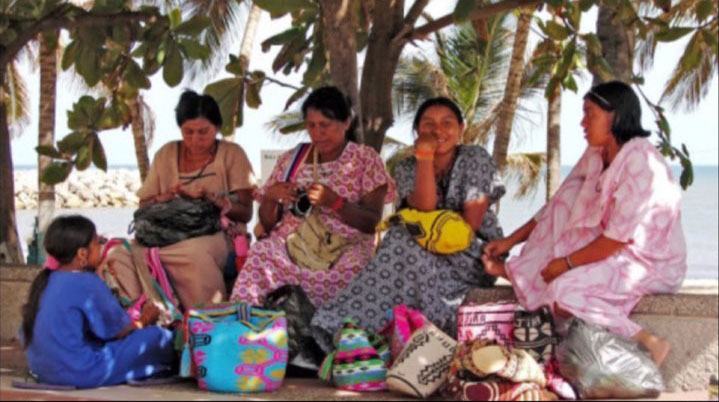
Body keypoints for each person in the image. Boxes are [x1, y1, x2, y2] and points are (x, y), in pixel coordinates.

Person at [481, 81, 686, 367]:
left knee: (563, 292)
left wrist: (564, 264)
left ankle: (648, 341)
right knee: (565, 204)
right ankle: (521, 271)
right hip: (611, 250)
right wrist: (509, 241)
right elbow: (556, 207)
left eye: (590, 114)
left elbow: (617, 238)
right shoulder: (597, 154)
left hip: (648, 262)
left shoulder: (640, 161)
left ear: (615, 115)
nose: (582, 122)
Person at [311, 97, 505, 351]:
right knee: (402, 243)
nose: (437, 131)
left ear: (461, 129)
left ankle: (353, 330)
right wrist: (425, 159)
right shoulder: (406, 167)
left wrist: (425, 157)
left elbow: (468, 226)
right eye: (428, 124)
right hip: (421, 250)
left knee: (404, 247)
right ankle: (354, 335)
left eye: (447, 123)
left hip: (470, 253)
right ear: (416, 131)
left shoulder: (475, 158)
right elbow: (424, 207)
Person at [230, 86, 396, 307]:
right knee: (262, 252)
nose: (318, 133)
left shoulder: (365, 159)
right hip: (292, 247)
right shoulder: (291, 160)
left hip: (344, 249)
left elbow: (371, 222)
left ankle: (340, 332)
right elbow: (269, 224)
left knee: (358, 265)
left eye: (325, 125)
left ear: (346, 122)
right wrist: (271, 196)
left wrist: (335, 202)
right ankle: (250, 330)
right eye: (312, 126)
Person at [107, 90, 256, 309]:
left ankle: (205, 317)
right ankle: (150, 314)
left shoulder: (232, 154)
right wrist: (164, 197)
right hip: (166, 235)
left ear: (217, 128)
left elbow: (246, 212)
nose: (196, 139)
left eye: (203, 132)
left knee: (193, 252)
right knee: (118, 253)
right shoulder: (166, 154)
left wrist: (216, 201)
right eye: (189, 132)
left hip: (219, 235)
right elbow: (144, 206)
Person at [21, 215, 176, 388]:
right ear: (82, 253)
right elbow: (120, 332)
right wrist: (147, 318)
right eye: (98, 243)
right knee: (158, 337)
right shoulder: (86, 282)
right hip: (81, 372)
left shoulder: (44, 281)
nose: (101, 248)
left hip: (44, 371)